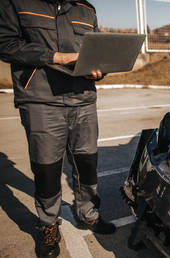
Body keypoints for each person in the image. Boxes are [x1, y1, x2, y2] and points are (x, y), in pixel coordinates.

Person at [0, 0, 115, 257]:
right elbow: (5, 44)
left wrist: (98, 69)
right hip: (41, 98)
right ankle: (48, 224)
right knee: (47, 167)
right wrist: (56, 57)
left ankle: (88, 213)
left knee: (87, 163)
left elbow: (94, 52)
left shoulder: (87, 9)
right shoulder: (16, 2)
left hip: (82, 97)